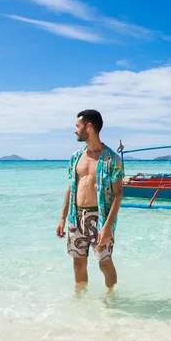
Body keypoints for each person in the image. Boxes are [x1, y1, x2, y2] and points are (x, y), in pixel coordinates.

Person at [56, 109, 124, 293]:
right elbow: (71, 187)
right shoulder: (76, 157)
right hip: (76, 216)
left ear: (89, 127)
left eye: (78, 126)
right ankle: (80, 301)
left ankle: (111, 299)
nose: (75, 130)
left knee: (104, 263)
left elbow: (118, 194)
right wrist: (62, 217)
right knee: (78, 264)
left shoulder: (112, 160)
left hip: (99, 218)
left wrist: (107, 227)